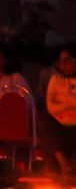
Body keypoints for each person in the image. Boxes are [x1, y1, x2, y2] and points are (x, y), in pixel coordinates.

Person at [42, 45, 76, 179]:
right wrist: (71, 103)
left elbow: (57, 106)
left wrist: (63, 103)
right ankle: (64, 164)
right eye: (61, 61)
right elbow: (51, 106)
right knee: (44, 117)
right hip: (60, 123)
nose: (63, 64)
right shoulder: (55, 79)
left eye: (67, 60)